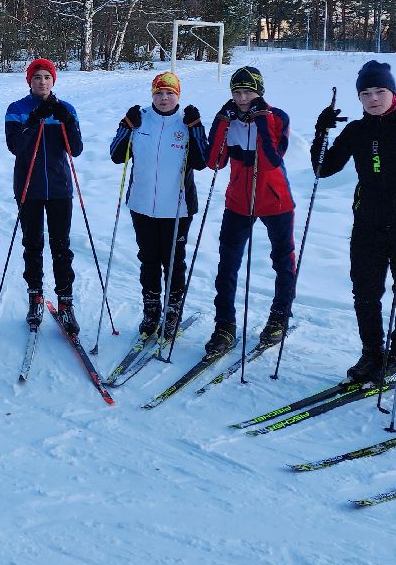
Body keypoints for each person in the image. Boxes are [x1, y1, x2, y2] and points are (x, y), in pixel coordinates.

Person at [313, 60, 396, 384]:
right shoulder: (357, 130)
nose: (373, 98)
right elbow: (323, 168)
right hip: (367, 222)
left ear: (392, 91)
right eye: (365, 93)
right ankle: (372, 352)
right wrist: (321, 131)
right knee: (365, 291)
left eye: (380, 91)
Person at [203, 66, 297, 357]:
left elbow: (271, 159)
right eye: (236, 92)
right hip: (238, 202)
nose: (242, 98)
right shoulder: (230, 120)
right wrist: (221, 121)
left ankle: (280, 314)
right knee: (227, 265)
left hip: (275, 200)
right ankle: (224, 325)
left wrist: (261, 118)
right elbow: (214, 162)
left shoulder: (277, 117)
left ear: (260, 91)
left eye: (248, 91)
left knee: (282, 259)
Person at [108, 71, 208, 339]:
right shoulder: (141, 119)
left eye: (170, 93)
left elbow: (201, 161)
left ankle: (173, 310)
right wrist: (126, 125)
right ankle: (151, 310)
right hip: (141, 205)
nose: (164, 98)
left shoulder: (185, 121)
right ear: (152, 94)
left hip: (178, 207)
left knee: (174, 262)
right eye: (159, 93)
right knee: (149, 260)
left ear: (178, 95)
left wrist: (196, 127)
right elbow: (117, 156)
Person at [4, 58, 83, 334]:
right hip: (29, 187)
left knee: (61, 247)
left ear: (53, 81)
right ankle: (35, 297)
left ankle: (65, 303)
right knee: (33, 244)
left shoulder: (66, 108)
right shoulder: (17, 109)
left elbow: (76, 149)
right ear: (29, 81)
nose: (42, 82)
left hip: (60, 188)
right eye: (37, 77)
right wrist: (35, 121)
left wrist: (68, 120)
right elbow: (16, 147)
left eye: (47, 77)